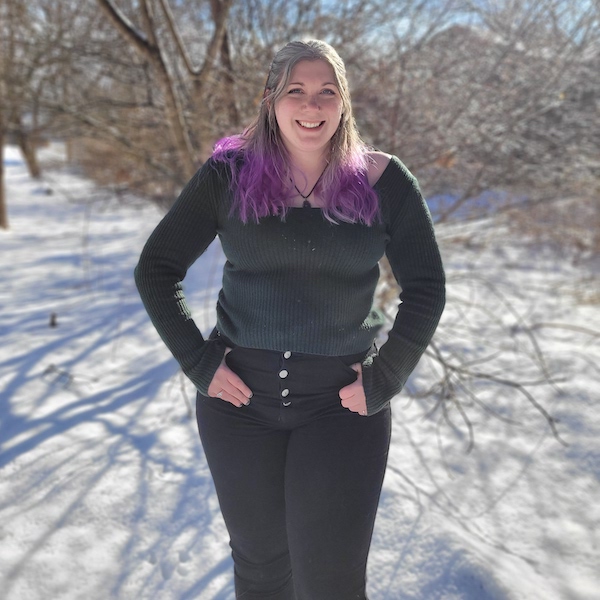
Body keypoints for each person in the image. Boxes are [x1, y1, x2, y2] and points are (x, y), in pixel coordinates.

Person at [135, 39, 445, 600]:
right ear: (270, 100)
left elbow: (427, 289)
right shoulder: (228, 175)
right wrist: (199, 361)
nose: (312, 105)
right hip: (238, 406)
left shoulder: (384, 181)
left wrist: (386, 376)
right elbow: (156, 268)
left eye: (328, 91)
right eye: (296, 91)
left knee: (331, 581)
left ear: (344, 101)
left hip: (341, 406)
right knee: (260, 571)